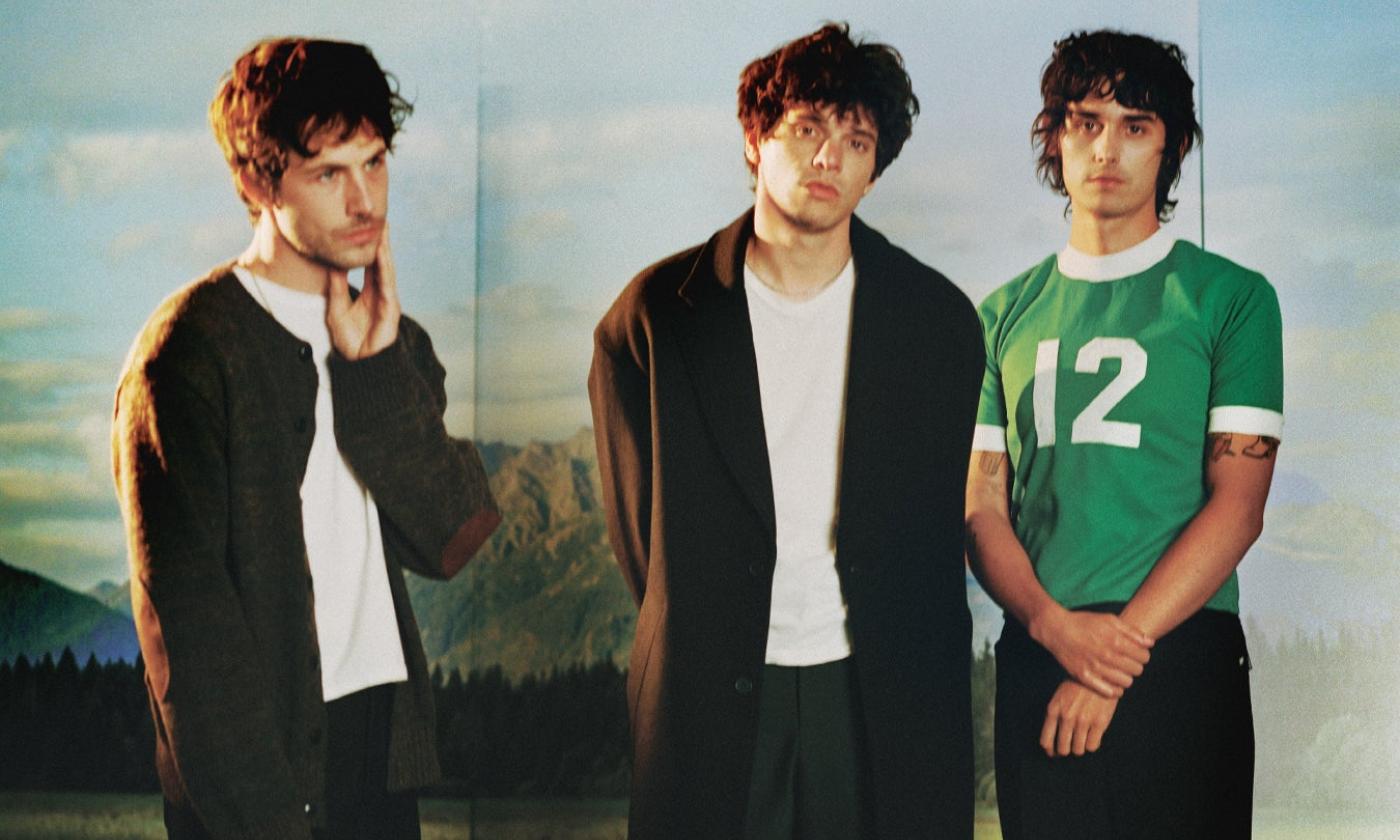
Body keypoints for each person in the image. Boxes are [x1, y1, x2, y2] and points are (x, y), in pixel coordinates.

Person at [589, 22, 983, 840]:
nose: (830, 156)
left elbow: (940, 524)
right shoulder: (658, 317)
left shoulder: (936, 322)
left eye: (857, 139)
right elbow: (641, 535)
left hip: (875, 686)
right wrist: (712, 616)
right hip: (712, 686)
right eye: (807, 128)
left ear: (876, 171)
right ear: (753, 141)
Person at [111, 38, 500, 839]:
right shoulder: (186, 354)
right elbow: (187, 634)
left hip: (377, 753)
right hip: (257, 770)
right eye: (330, 174)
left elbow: (452, 539)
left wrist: (375, 371)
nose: (366, 202)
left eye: (376, 163)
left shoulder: (395, 337)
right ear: (257, 181)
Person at [966, 29, 1283, 839]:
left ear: (1171, 145)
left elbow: (1238, 507)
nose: (1106, 147)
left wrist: (1114, 662)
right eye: (1085, 121)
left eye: (1135, 124)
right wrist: (1051, 627)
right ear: (1055, 136)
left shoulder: (1232, 300)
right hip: (1043, 644)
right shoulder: (1000, 316)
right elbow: (981, 509)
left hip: (1180, 652)